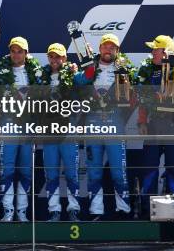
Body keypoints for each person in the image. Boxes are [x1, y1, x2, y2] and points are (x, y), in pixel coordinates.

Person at [136, 35, 174, 216]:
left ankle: (172, 212)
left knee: (172, 168)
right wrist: (141, 121)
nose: (152, 52)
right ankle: (147, 211)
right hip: (153, 124)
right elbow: (141, 100)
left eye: (155, 49)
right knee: (149, 169)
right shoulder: (147, 70)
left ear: (166, 53)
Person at [74, 34, 134, 220]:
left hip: (114, 122)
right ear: (99, 49)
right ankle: (96, 211)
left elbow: (132, 98)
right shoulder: (90, 65)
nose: (108, 50)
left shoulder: (124, 68)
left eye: (112, 47)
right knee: (94, 170)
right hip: (92, 123)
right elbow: (78, 81)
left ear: (117, 50)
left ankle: (123, 210)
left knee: (118, 170)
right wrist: (86, 73)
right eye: (105, 46)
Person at [0, 37, 42, 222]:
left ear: (26, 53)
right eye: (13, 51)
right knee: (7, 169)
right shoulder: (1, 73)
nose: (16, 54)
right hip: (9, 124)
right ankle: (8, 211)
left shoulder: (35, 73)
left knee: (25, 170)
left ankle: (22, 211)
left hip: (29, 126)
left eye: (19, 51)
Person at [39, 43, 81, 222]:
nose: (55, 60)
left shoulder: (73, 75)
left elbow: (87, 82)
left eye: (58, 56)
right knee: (52, 174)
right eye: (52, 56)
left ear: (64, 58)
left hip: (68, 131)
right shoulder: (40, 76)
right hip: (49, 133)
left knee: (72, 173)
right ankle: (54, 211)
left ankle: (74, 210)